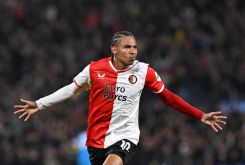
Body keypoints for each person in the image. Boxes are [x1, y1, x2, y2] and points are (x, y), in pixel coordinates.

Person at [14, 31, 227, 165]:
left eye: (135, 47)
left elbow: (167, 97)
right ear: (114, 49)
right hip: (96, 140)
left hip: (126, 136)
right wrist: (39, 104)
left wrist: (199, 115)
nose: (133, 51)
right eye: (127, 47)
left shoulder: (144, 72)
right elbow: (71, 90)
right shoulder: (94, 69)